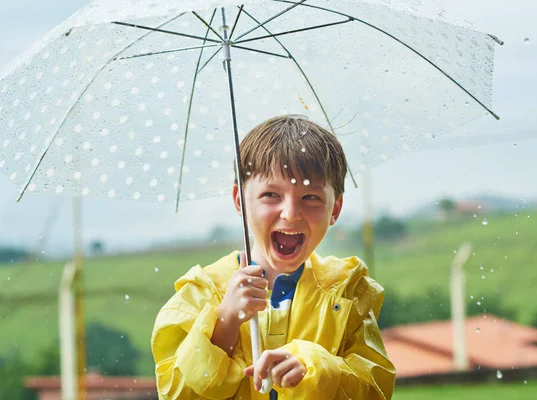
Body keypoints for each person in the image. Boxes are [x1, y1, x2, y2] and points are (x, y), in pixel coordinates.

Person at [151, 115, 396, 399]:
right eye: (270, 194)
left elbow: (374, 390)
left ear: (335, 208)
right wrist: (226, 322)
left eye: (311, 197)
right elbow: (178, 393)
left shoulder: (348, 292)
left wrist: (312, 366)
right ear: (240, 201)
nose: (291, 213)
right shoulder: (198, 295)